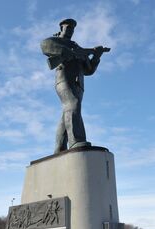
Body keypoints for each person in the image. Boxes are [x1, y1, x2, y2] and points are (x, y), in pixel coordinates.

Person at [41, 18, 109, 153]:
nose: (71, 31)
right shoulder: (57, 41)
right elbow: (45, 45)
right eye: (68, 28)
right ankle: (76, 140)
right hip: (64, 79)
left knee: (68, 111)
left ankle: (59, 148)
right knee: (73, 104)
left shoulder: (77, 47)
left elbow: (88, 70)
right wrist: (67, 52)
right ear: (61, 28)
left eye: (72, 29)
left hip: (78, 84)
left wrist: (96, 56)